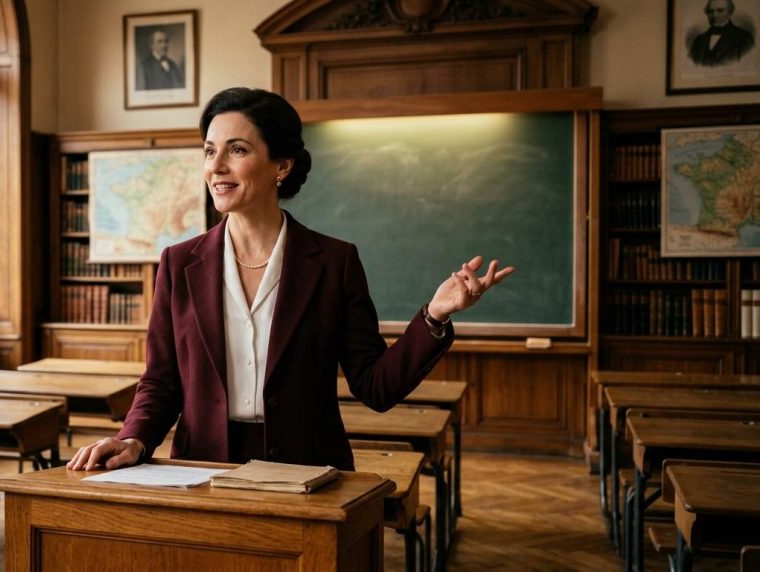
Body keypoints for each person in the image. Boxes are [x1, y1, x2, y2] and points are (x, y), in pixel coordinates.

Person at [67, 87, 514, 473]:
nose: (216, 166)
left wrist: (434, 316)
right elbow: (161, 382)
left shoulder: (334, 262)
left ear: (280, 166)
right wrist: (133, 439)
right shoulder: (178, 263)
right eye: (209, 150)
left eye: (236, 150)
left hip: (307, 470)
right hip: (203, 468)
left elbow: (375, 386)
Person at [689, 0, 755, 67]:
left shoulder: (744, 38)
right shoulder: (699, 40)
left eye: (720, 11)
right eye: (711, 11)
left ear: (730, 13)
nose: (714, 15)